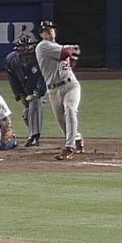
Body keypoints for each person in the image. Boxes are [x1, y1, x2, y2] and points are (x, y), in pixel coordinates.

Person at [35, 20, 84, 160]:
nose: (50, 32)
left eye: (52, 29)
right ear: (41, 34)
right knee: (61, 122)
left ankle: (69, 147)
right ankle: (77, 138)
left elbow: (75, 49)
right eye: (46, 30)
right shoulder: (42, 46)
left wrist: (72, 58)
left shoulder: (56, 46)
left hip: (70, 86)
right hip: (53, 90)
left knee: (70, 109)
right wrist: (71, 53)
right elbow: (67, 51)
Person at [4, 35, 47, 147]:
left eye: (27, 48)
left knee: (34, 101)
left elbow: (44, 77)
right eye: (22, 48)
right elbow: (13, 81)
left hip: (49, 87)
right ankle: (34, 135)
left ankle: (34, 136)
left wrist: (38, 92)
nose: (25, 52)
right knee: (27, 113)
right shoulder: (11, 60)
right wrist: (20, 95)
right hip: (27, 88)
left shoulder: (40, 58)